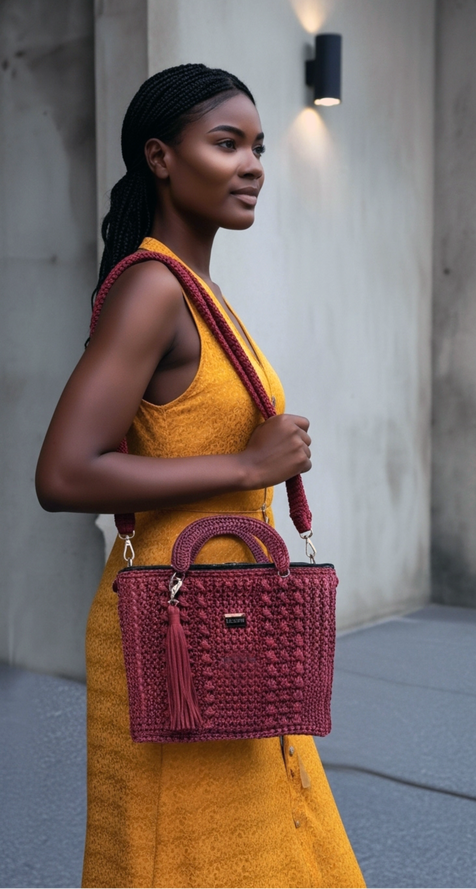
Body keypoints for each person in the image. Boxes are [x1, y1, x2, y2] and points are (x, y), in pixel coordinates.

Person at [36, 63, 365, 889]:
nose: (253, 164)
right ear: (160, 157)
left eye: (257, 146)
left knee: (263, 850)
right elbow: (64, 472)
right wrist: (249, 464)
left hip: (234, 617)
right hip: (177, 627)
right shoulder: (151, 290)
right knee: (182, 858)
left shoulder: (199, 293)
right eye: (227, 144)